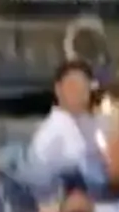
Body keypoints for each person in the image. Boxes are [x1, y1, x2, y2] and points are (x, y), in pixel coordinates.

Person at [27, 63, 102, 194]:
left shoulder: (90, 124)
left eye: (85, 87)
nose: (80, 93)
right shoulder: (53, 130)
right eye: (74, 86)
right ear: (58, 89)